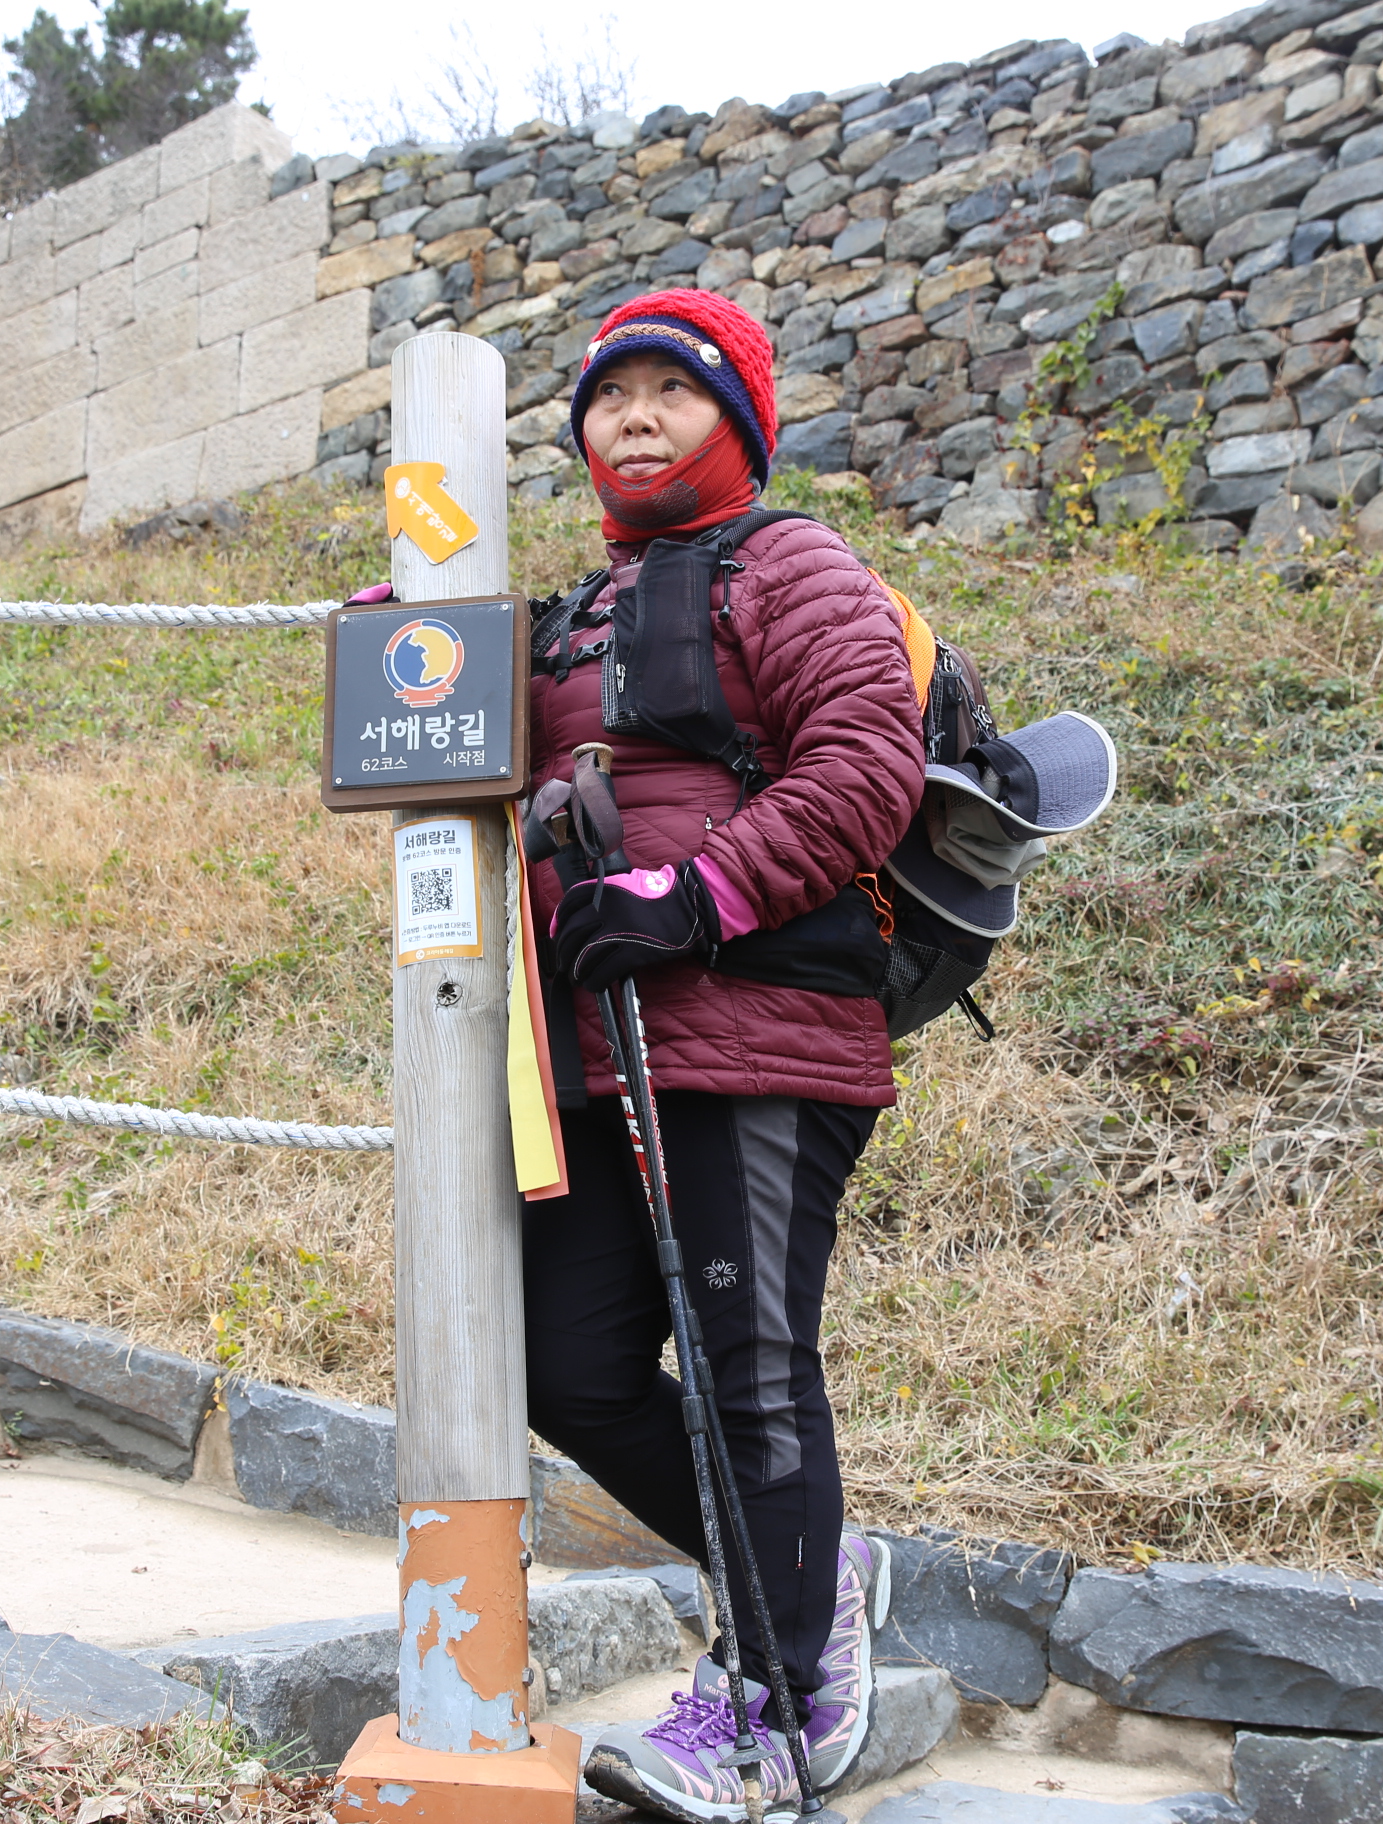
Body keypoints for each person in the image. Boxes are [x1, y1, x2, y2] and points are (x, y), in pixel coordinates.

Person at [521, 288, 925, 1824]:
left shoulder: (792, 564)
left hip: (758, 1032)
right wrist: (409, 654)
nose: (633, 416)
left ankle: (771, 1714)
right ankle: (812, 1575)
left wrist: (692, 896)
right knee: (568, 1366)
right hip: (593, 1052)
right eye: (608, 395)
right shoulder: (575, 610)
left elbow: (868, 764)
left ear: (740, 421)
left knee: (748, 1372)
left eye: (671, 390)